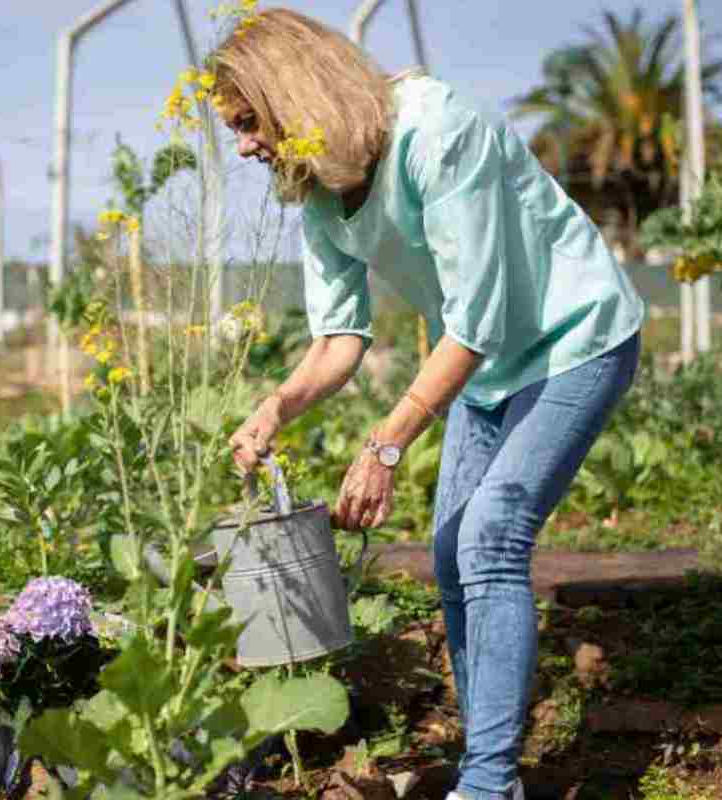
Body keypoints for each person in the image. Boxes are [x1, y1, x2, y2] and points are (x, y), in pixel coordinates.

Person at [215, 9, 644, 800]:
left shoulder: (436, 129)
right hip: (485, 370)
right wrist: (274, 408)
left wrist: (386, 444)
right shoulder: (316, 186)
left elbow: (476, 320)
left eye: (247, 123)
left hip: (575, 339)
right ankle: (497, 775)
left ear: (291, 95)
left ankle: (484, 785)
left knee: (491, 539)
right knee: (452, 556)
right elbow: (339, 338)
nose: (241, 145)